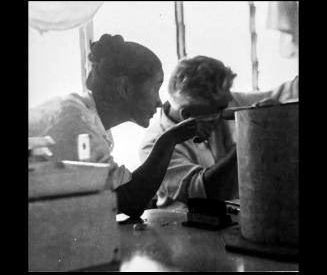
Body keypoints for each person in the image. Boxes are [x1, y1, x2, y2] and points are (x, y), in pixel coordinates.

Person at [29, 35, 214, 218]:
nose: (159, 102)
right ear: (125, 87)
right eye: (155, 88)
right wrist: (169, 140)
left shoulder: (90, 122)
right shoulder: (76, 122)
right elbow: (130, 201)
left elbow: (118, 192)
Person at [139, 55, 299, 209]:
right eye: (221, 108)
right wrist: (250, 136)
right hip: (180, 229)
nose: (228, 109)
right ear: (188, 115)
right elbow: (205, 193)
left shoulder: (220, 101)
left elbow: (284, 93)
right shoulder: (153, 147)